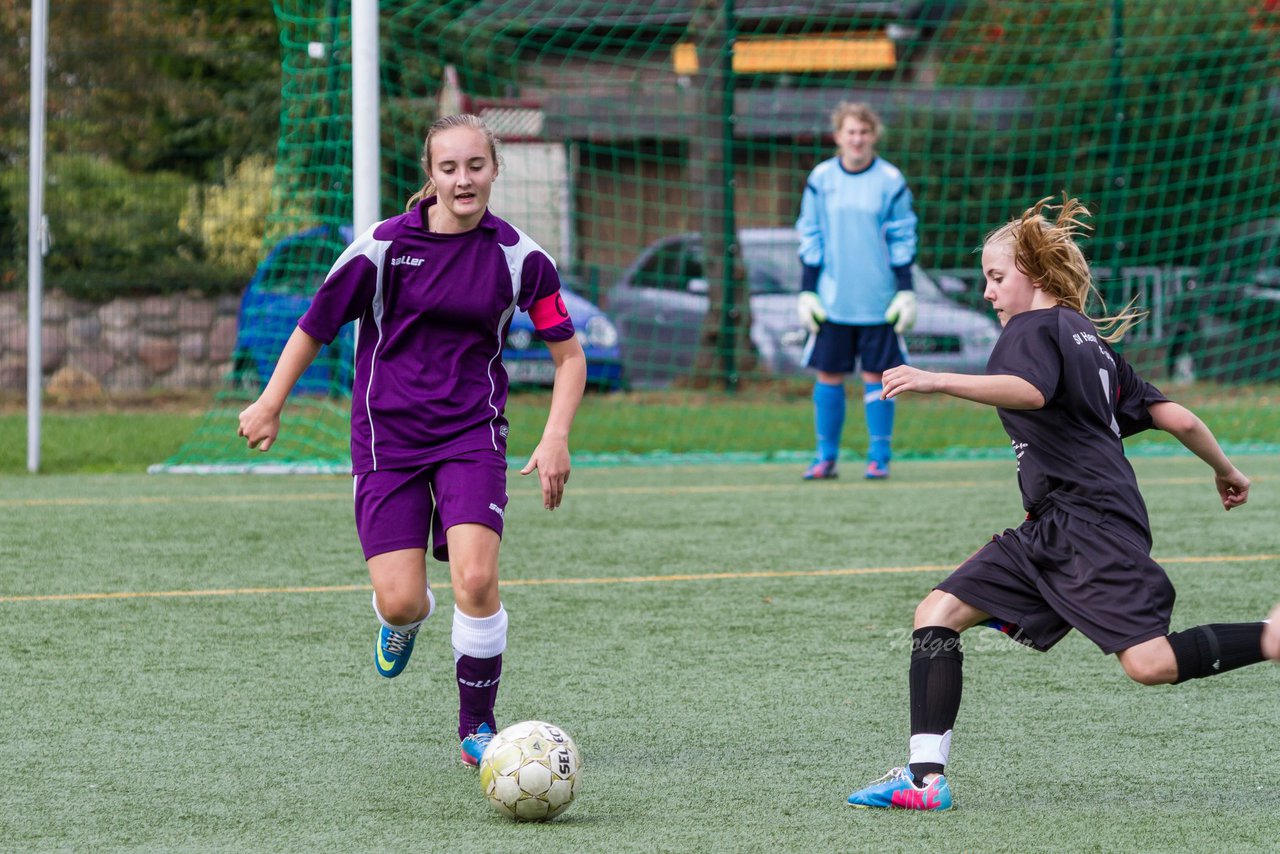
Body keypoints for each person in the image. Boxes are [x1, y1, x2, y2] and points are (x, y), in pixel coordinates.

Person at [845, 195, 1266, 811]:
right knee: (937, 613)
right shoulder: (1089, 340)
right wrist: (1226, 469)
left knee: (1149, 663)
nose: (989, 293)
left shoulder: (1032, 329)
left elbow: (1030, 392)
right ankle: (924, 780)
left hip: (1089, 523)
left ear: (1035, 277)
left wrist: (935, 379)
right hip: (1055, 524)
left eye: (997, 278)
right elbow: (1173, 414)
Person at [237, 114, 586, 767]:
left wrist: (557, 435)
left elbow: (569, 356)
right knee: (400, 600)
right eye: (449, 168)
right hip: (387, 438)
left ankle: (476, 730)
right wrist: (270, 402)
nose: (463, 180)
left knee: (476, 579)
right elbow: (315, 326)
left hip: (470, 434)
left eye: (475, 167)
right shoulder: (380, 248)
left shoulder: (521, 258)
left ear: (494, 170)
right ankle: (405, 619)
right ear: (430, 173)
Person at [795, 101, 919, 481]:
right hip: (833, 301)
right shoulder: (821, 179)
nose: (858, 139)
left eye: (864, 132)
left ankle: (879, 457)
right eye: (851, 132)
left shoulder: (890, 181)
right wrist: (807, 291)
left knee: (877, 378)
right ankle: (825, 457)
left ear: (873, 136)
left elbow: (902, 235)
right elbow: (810, 232)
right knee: (829, 375)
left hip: (879, 301)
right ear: (838, 137)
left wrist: (905, 290)